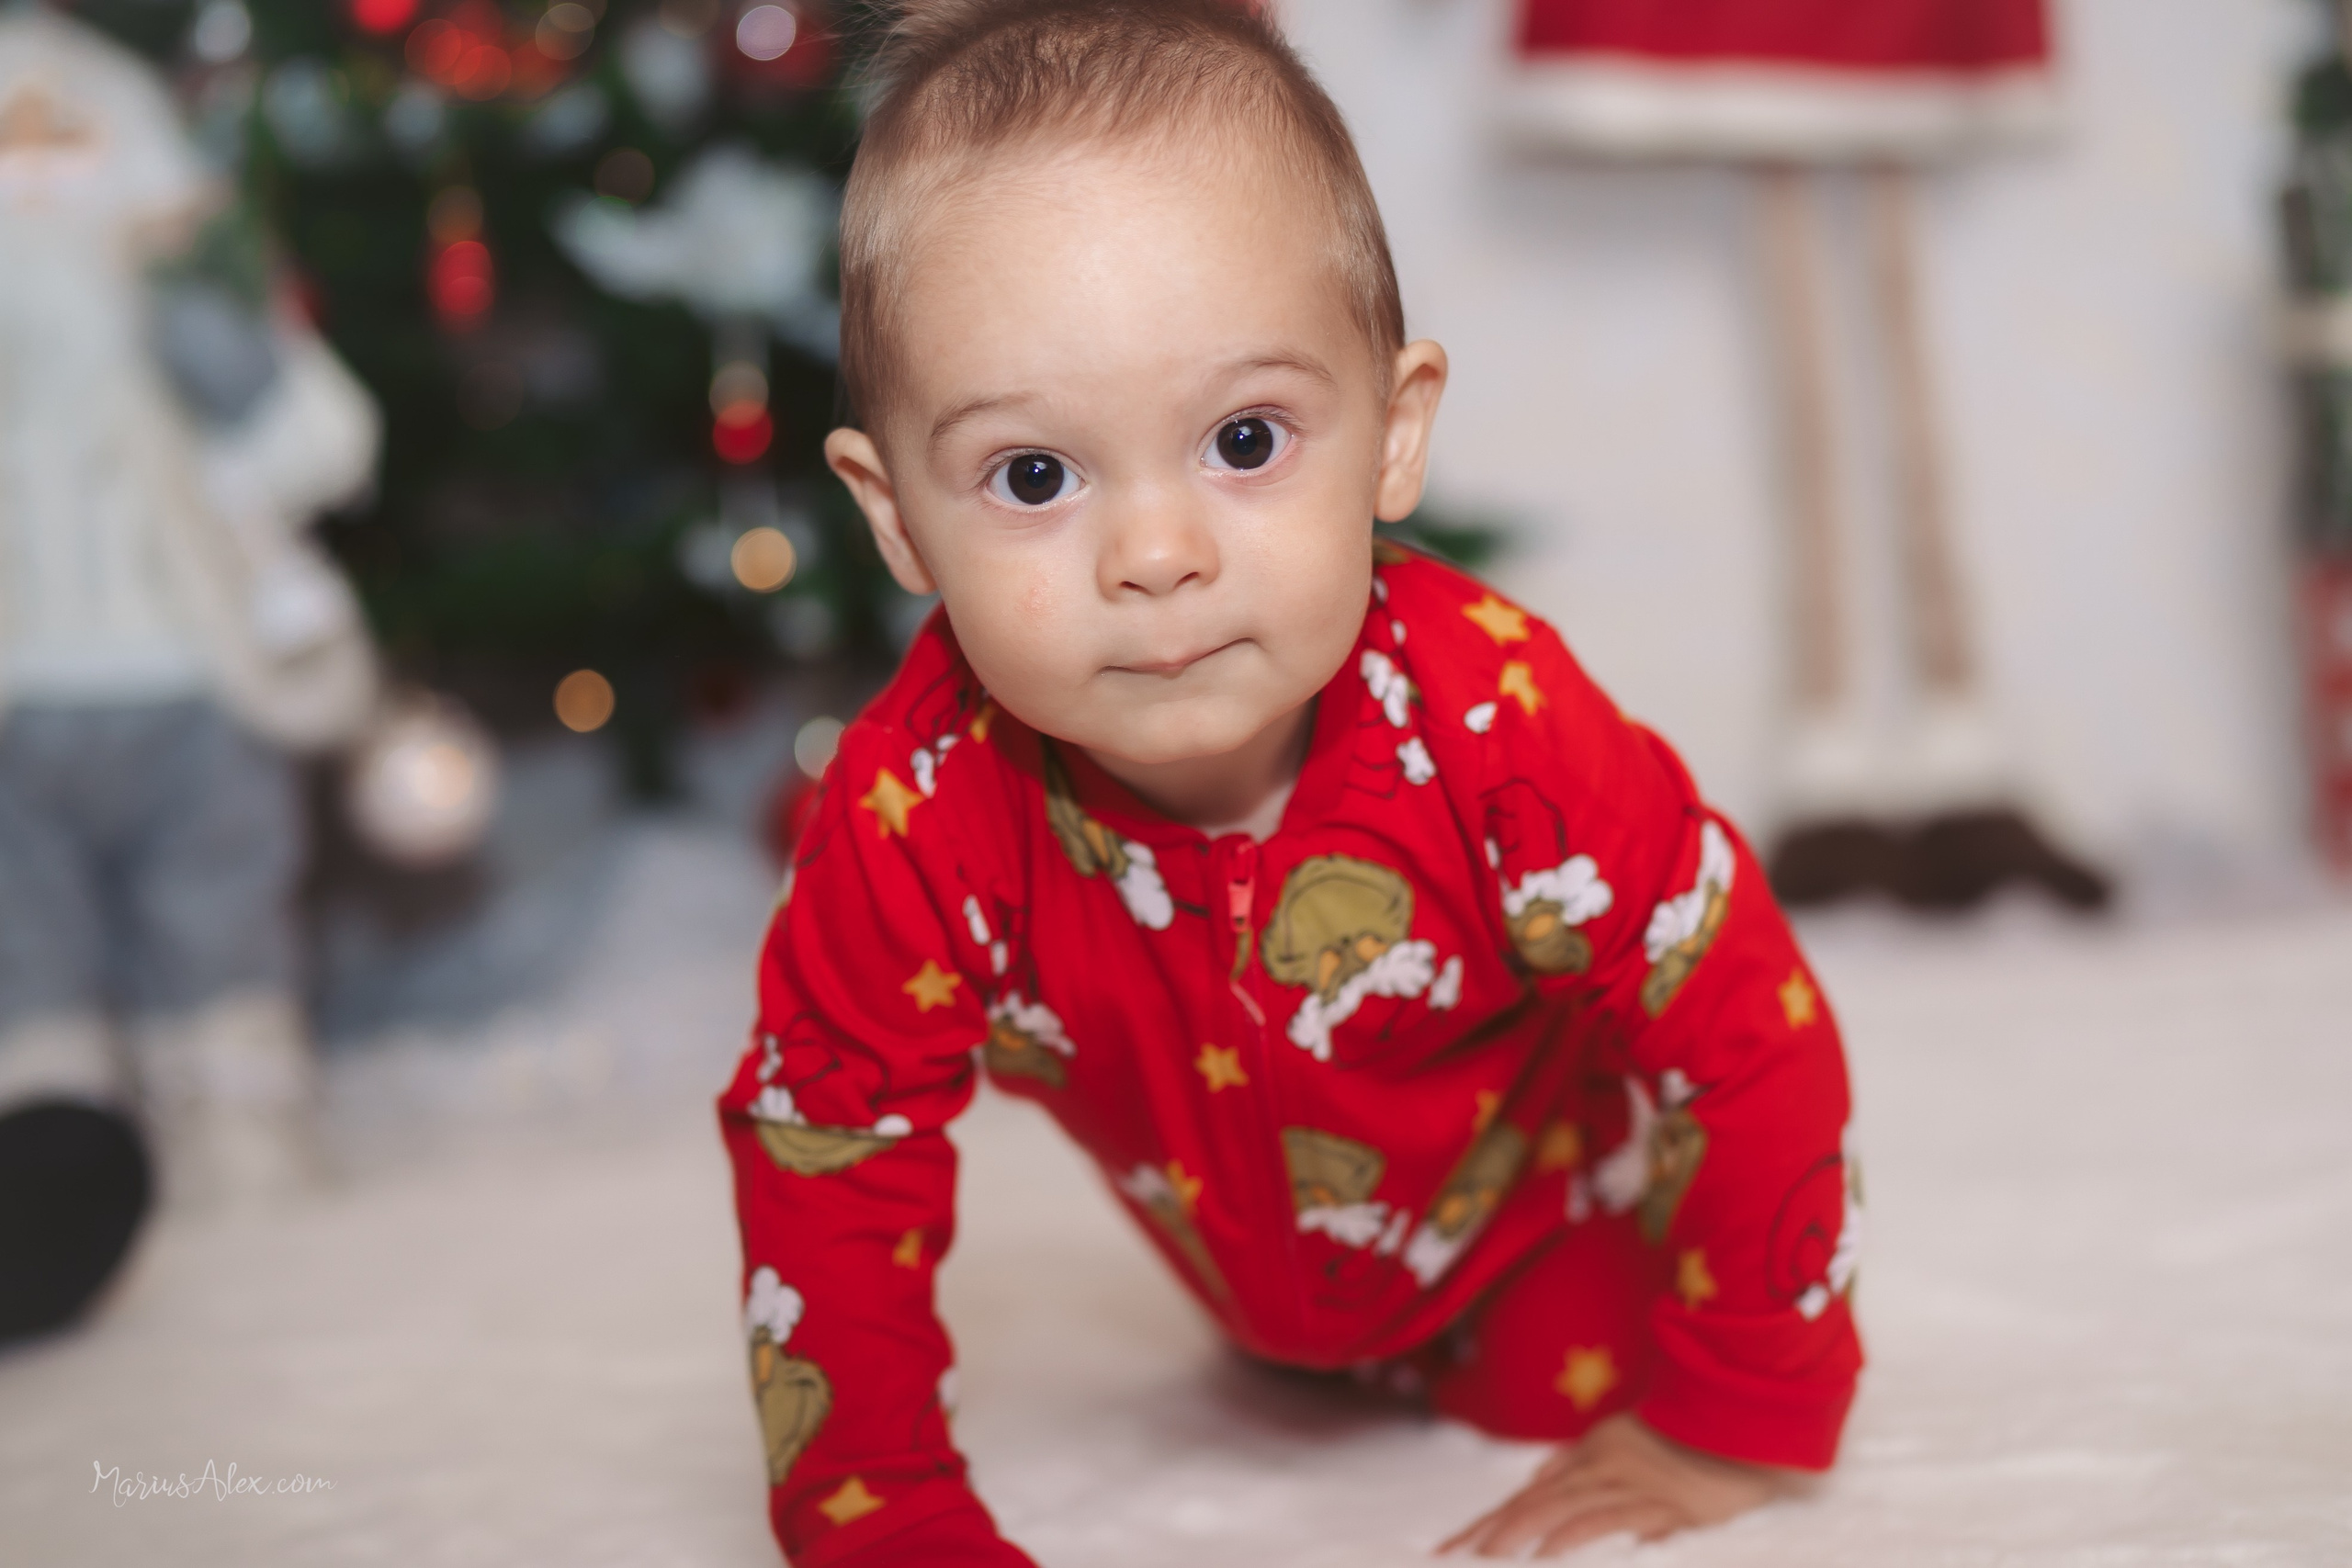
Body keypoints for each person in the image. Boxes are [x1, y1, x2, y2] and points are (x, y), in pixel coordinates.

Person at [718, 3, 1861, 1562]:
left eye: (1245, 439)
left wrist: (1727, 1413)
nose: (1159, 554)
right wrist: (885, 1517)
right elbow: (827, 1141)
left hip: (1542, 1244)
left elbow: (1743, 1024)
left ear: (1394, 436)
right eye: (1034, 476)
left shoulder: (1493, 726)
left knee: (1551, 1407)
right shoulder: (921, 816)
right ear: (899, 517)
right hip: (1251, 1303)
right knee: (1270, 1414)